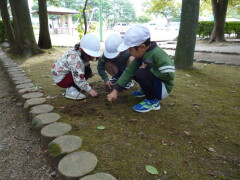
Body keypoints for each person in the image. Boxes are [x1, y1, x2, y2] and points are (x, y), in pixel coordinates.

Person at [107, 25, 175, 113]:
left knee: (141, 72)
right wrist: (116, 91)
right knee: (135, 70)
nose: (129, 52)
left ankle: (153, 101)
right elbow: (129, 71)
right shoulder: (142, 55)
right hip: (156, 84)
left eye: (130, 50)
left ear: (142, 46)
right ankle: (146, 90)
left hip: (163, 89)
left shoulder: (158, 54)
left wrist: (150, 70)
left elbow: (169, 74)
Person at [51, 33, 101, 100]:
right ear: (82, 50)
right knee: (82, 74)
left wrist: (89, 72)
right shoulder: (75, 59)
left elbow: (84, 63)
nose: (90, 60)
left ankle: (77, 86)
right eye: (89, 57)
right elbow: (78, 77)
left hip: (65, 73)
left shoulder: (79, 51)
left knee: (88, 70)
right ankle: (71, 90)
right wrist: (90, 90)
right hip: (61, 78)